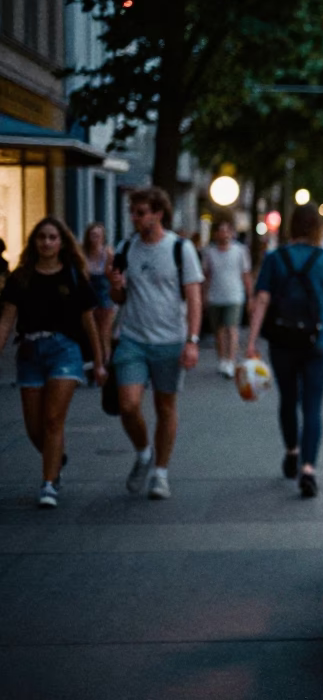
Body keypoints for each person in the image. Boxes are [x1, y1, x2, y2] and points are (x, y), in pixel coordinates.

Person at [246, 204, 323, 498]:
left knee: (288, 399)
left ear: (291, 226)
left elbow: (262, 300)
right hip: (320, 341)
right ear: (318, 228)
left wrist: (251, 341)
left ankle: (292, 450)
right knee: (313, 404)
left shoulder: (274, 259)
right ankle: (309, 469)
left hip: (282, 340)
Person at [0, 218, 106, 508]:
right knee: (34, 427)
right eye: (41, 237)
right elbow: (6, 320)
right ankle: (56, 457)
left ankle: (48, 484)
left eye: (52, 237)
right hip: (30, 353)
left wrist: (99, 361)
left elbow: (89, 321)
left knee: (52, 419)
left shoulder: (72, 276)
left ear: (62, 243)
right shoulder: (20, 278)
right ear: (34, 242)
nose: (46, 242)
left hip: (64, 351)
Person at [108, 187, 204, 501]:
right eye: (132, 212)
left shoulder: (180, 248)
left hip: (170, 340)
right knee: (128, 404)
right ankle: (143, 451)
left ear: (158, 214)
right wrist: (115, 286)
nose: (135, 218)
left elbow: (193, 297)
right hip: (133, 337)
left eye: (141, 212)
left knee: (165, 407)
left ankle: (160, 473)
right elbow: (119, 298)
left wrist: (191, 340)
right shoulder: (126, 247)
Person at [201, 219, 252, 378]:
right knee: (219, 330)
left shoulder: (240, 251)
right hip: (215, 296)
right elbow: (206, 275)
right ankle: (222, 358)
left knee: (231, 328)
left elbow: (246, 275)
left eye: (226, 230)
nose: (224, 234)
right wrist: (203, 295)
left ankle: (231, 360)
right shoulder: (209, 252)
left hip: (235, 295)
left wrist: (250, 297)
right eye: (220, 231)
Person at [82, 222, 117, 366]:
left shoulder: (108, 254)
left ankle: (105, 362)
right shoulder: (84, 254)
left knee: (104, 333)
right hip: (88, 298)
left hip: (105, 299)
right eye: (92, 235)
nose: (94, 238)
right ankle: (95, 362)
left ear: (103, 237)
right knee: (90, 333)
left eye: (97, 235)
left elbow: (113, 276)